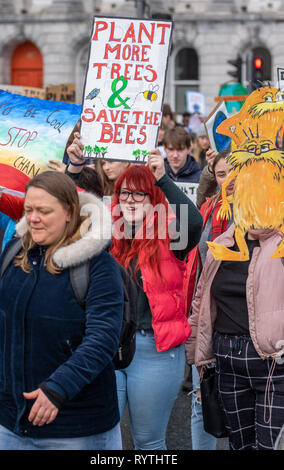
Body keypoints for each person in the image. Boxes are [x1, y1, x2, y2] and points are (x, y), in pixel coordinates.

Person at [0, 171, 124, 450]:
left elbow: (103, 338)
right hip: (6, 419)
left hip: (74, 425)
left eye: (44, 211)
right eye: (29, 210)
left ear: (70, 212)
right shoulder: (12, 253)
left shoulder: (98, 265)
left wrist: (58, 389)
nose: (33, 218)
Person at [110, 151, 203, 450]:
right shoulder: (108, 234)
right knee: (101, 436)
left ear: (154, 198)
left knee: (148, 442)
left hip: (155, 351)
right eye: (125, 193)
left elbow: (194, 223)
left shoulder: (170, 234)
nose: (131, 200)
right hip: (108, 347)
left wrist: (162, 177)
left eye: (140, 194)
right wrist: (73, 168)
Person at [185, 214, 284, 449]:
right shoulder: (221, 246)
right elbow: (201, 301)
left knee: (272, 444)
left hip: (273, 365)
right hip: (227, 361)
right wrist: (195, 355)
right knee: (239, 445)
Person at [184, 150, 233, 450]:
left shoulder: (262, 209)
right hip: (206, 317)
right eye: (221, 174)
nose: (228, 181)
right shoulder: (210, 207)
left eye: (233, 172)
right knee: (203, 403)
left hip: (242, 322)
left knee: (246, 408)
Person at [66, 131, 129, 198]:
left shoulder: (140, 186)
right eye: (103, 164)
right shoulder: (98, 187)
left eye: (111, 161)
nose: (106, 168)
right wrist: (75, 164)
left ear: (126, 162)